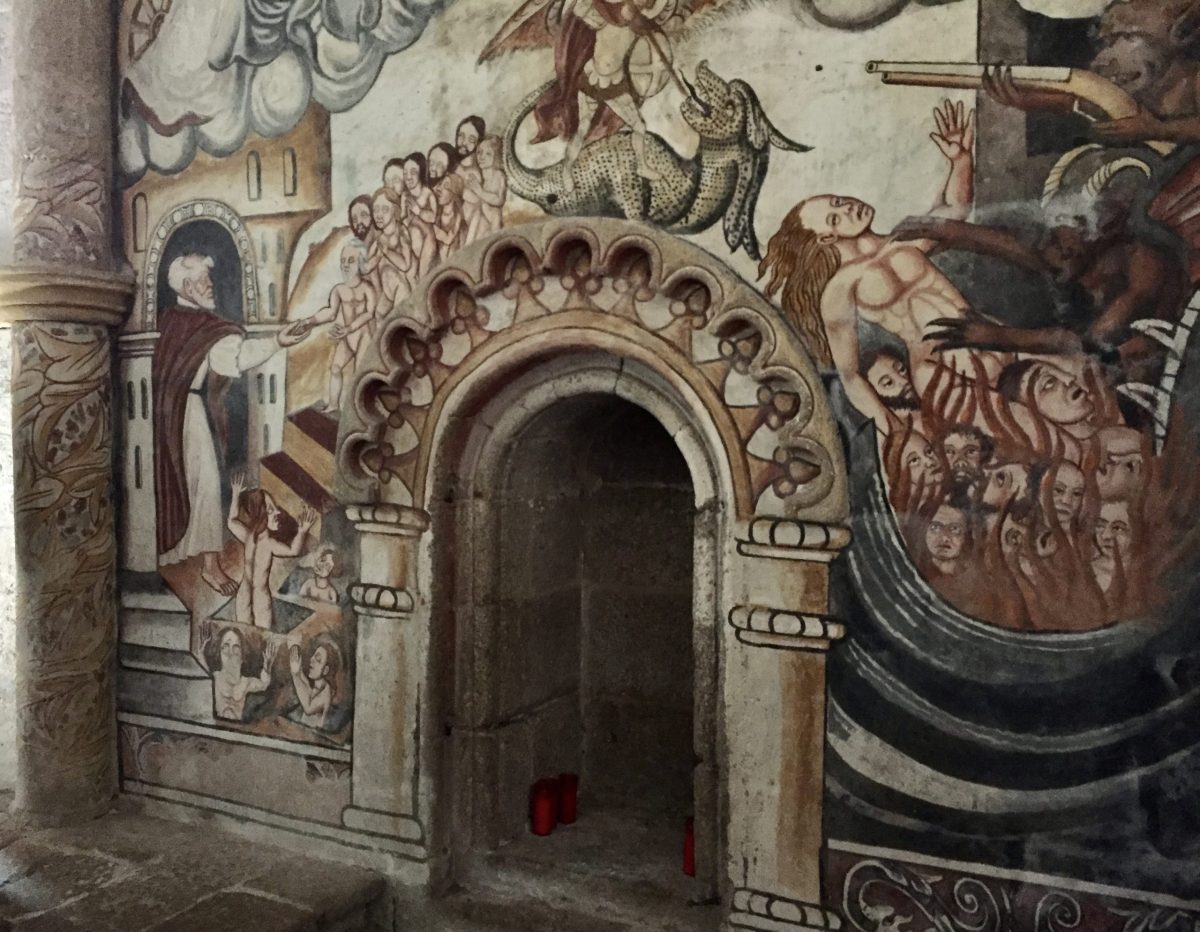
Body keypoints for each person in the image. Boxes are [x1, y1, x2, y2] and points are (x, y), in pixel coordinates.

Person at [758, 102, 1003, 431]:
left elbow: (956, 209)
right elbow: (850, 376)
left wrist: (960, 160)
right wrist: (892, 430)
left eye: (837, 201)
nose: (847, 207)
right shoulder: (840, 288)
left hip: (989, 336)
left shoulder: (904, 237)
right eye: (835, 217)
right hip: (941, 370)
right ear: (828, 238)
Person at [153, 254, 308, 595]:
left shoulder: (186, 325)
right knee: (201, 484)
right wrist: (277, 342)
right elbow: (237, 358)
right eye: (204, 282)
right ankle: (198, 562)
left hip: (179, 412)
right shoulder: (180, 325)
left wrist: (277, 341)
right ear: (188, 287)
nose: (211, 287)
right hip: (178, 415)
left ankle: (206, 562)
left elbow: (235, 357)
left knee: (202, 484)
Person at [228, 471, 317, 629]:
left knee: (260, 636)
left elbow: (293, 551)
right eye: (270, 510)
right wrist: (236, 494)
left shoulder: (264, 541)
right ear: (260, 514)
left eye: (275, 508)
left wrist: (302, 531)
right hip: (246, 594)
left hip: (257, 596)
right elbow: (231, 521)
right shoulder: (252, 538)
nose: (277, 513)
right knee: (244, 633)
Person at [295, 241, 377, 412]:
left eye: (351, 261)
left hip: (362, 336)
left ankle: (358, 410)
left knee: (358, 374)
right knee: (335, 368)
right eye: (343, 261)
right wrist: (310, 321)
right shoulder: (339, 290)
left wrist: (350, 328)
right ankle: (333, 404)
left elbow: (369, 313)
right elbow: (331, 312)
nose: (345, 265)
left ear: (360, 262)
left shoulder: (366, 288)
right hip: (346, 337)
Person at [363, 187, 413, 319]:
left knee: (398, 320)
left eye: (384, 210)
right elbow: (366, 267)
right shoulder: (379, 239)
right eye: (376, 210)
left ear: (395, 210)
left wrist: (386, 251)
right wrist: (375, 258)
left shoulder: (401, 232)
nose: (379, 215)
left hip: (400, 289)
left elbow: (405, 265)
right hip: (387, 293)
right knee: (379, 316)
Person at [211, 627, 278, 722]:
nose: (230, 652)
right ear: (219, 652)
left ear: (242, 655)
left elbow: (264, 684)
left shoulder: (246, 682)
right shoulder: (215, 677)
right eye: (226, 646)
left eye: (236, 647)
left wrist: (267, 667)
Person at [463, 135, 507, 243]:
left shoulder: (498, 175)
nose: (481, 156)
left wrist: (479, 191)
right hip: (483, 222)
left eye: (488, 153)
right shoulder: (483, 178)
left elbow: (499, 199)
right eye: (479, 152)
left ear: (496, 156)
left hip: (494, 223)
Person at [289, 640, 336, 730]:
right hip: (305, 730)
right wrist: (299, 671)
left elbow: (308, 709)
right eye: (313, 656)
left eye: (318, 659)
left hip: (315, 734)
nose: (312, 659)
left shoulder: (326, 692)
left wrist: (295, 674)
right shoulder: (318, 685)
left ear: (325, 670)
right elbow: (307, 688)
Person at [1092, 499, 1134, 594]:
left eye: (1117, 528)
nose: (1106, 536)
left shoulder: (1146, 573)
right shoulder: (1086, 570)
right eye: (1100, 525)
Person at [433, 173, 467, 262]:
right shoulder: (436, 215)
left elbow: (448, 240)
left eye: (446, 186)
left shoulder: (459, 219)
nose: (439, 189)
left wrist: (432, 228)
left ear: (454, 193)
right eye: (440, 184)